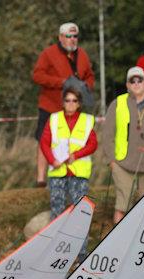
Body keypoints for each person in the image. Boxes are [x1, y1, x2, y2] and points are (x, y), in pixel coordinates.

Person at [32, 22, 95, 188]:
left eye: (75, 36)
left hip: (73, 107)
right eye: (69, 36)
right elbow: (37, 75)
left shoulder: (82, 54)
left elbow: (90, 75)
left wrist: (87, 86)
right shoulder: (48, 53)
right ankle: (40, 179)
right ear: (60, 37)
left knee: (74, 141)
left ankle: (71, 176)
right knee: (43, 140)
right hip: (50, 105)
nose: (72, 39)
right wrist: (60, 82)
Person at [102, 66, 144, 223]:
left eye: (140, 80)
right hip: (123, 163)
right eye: (133, 81)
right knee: (122, 205)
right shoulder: (117, 104)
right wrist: (112, 161)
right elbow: (107, 135)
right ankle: (118, 242)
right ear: (127, 85)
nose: (136, 83)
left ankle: (141, 243)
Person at [39, 87, 97, 218]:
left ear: (79, 103)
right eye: (67, 100)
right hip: (58, 171)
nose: (71, 103)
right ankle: (55, 238)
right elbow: (44, 143)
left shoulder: (87, 120)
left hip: (79, 173)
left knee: (80, 212)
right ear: (63, 103)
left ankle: (80, 239)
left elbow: (93, 144)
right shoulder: (54, 119)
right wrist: (52, 161)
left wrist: (76, 155)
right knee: (57, 210)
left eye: (74, 100)